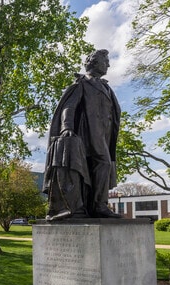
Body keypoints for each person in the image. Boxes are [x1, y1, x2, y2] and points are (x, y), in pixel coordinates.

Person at [43, 49, 122, 220]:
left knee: (102, 167)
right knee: (103, 163)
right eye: (105, 61)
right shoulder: (82, 84)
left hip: (104, 136)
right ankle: (97, 205)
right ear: (94, 62)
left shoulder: (106, 87)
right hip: (87, 135)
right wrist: (66, 127)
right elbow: (69, 107)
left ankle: (96, 206)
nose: (108, 64)